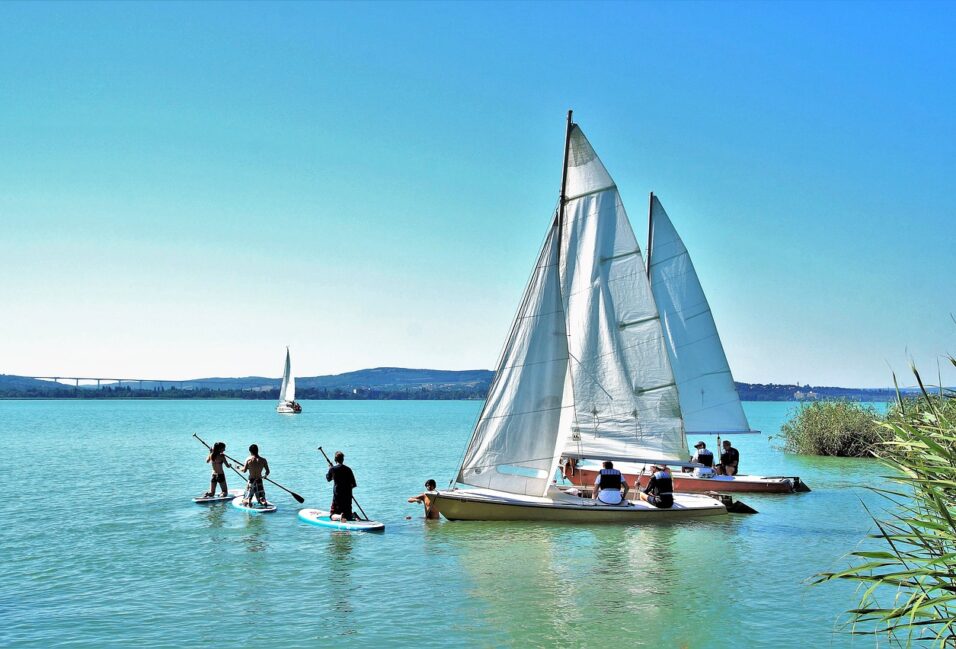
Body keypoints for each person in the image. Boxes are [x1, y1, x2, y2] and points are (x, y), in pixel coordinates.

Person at [326, 450, 357, 521]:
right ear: (343, 460)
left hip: (337, 496)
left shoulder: (333, 469)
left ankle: (339, 517)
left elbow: (328, 478)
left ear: (335, 460)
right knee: (348, 515)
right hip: (348, 497)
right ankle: (351, 515)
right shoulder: (348, 469)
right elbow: (354, 484)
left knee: (332, 515)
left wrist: (330, 468)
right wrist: (347, 489)